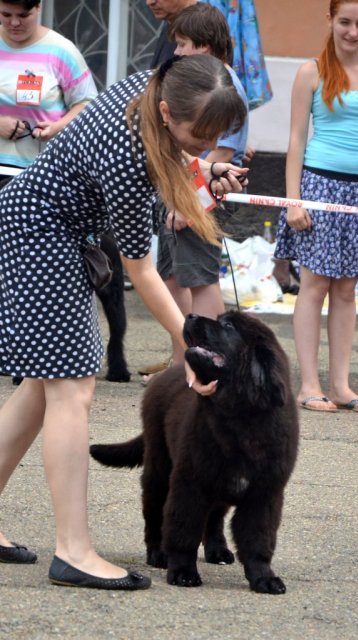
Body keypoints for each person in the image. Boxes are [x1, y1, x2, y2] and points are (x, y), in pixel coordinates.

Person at [0, 55, 247, 589]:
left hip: (38, 223)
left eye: (217, 136)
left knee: (44, 389)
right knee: (73, 389)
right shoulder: (128, 158)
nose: (206, 145)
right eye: (198, 135)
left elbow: (175, 155)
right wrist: (190, 347)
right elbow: (141, 272)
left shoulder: (156, 86)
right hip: (42, 233)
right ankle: (73, 550)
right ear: (165, 112)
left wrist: (202, 170)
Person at [274, 0, 358, 414]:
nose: (353, 31)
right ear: (330, 20)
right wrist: (294, 200)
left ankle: (341, 385)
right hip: (319, 186)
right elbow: (295, 141)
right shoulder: (311, 72)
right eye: (345, 22)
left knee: (347, 288)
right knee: (315, 285)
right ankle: (309, 384)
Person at [152, 3, 249, 375]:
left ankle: (208, 361)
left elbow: (222, 151)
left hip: (202, 195)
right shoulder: (204, 80)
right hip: (181, 188)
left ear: (205, 47)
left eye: (183, 44)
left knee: (201, 278)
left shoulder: (221, 86)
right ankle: (182, 362)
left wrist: (188, 204)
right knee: (173, 275)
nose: (176, 52)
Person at [0, 0, 97, 181]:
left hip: (40, 171)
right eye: (6, 15)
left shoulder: (61, 50)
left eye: (23, 15)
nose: (14, 23)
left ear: (38, 8)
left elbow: (87, 103)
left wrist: (56, 127)